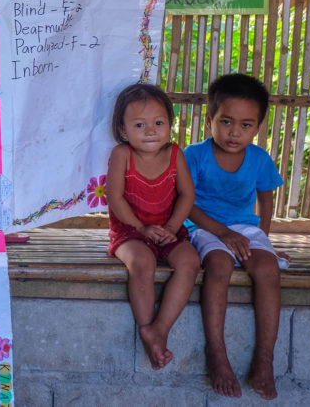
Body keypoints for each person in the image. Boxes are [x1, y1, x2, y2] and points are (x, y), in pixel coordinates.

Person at [185, 73, 285, 400]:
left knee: (268, 269)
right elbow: (184, 204)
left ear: (257, 128)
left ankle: (264, 359)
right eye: (226, 121)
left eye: (246, 125)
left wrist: (263, 240)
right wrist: (223, 233)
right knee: (219, 265)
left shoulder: (258, 158)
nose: (234, 132)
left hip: (244, 229)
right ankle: (217, 352)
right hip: (202, 226)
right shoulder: (194, 155)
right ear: (210, 119)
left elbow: (266, 198)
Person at [106, 83, 200, 371]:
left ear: (170, 125)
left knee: (190, 261)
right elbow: (115, 197)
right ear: (123, 131)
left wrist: (172, 227)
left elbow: (187, 195)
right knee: (142, 262)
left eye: (158, 123)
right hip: (129, 231)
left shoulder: (175, 154)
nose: (150, 130)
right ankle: (147, 328)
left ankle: (160, 328)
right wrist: (140, 228)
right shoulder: (122, 155)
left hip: (169, 229)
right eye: (139, 124)